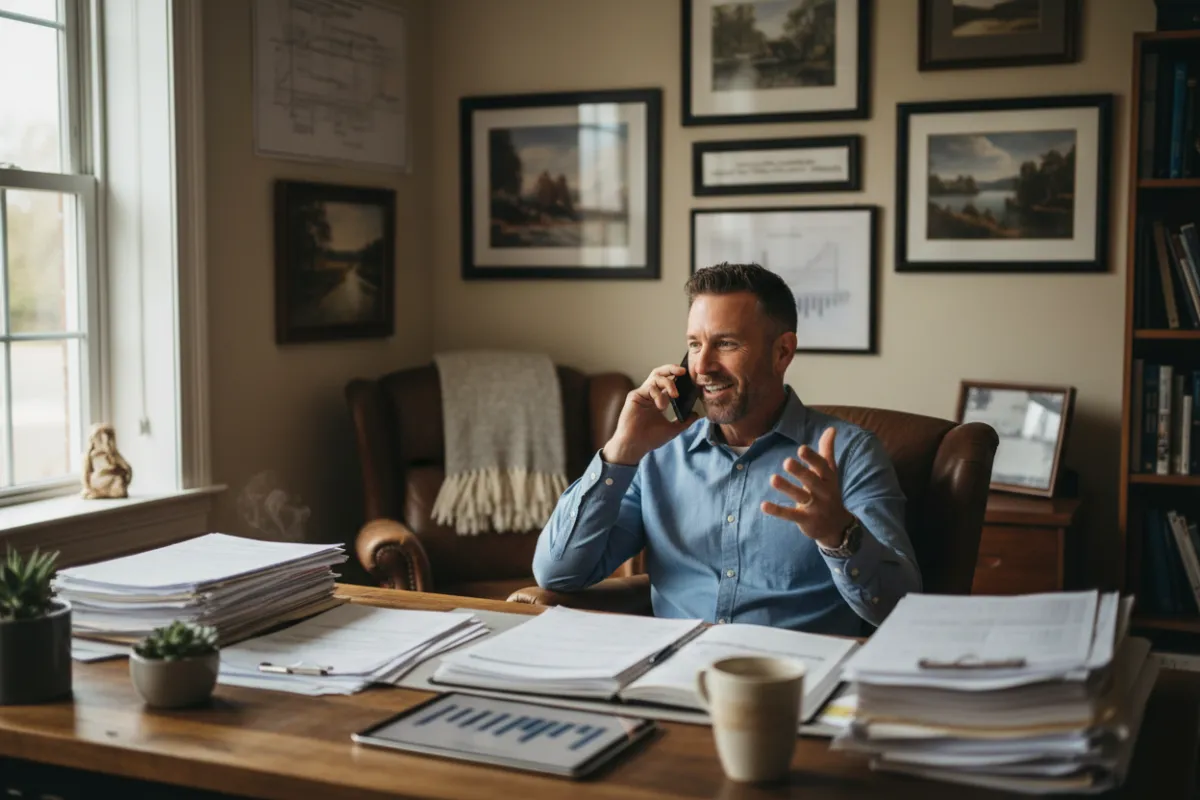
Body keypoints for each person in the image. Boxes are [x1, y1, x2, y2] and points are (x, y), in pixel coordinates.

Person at [531, 262, 921, 635]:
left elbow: (903, 610)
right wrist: (620, 451)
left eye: (726, 344)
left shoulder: (850, 455)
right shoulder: (656, 457)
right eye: (694, 344)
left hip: (792, 684)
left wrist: (840, 535)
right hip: (669, 677)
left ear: (782, 352)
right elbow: (558, 573)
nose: (702, 367)